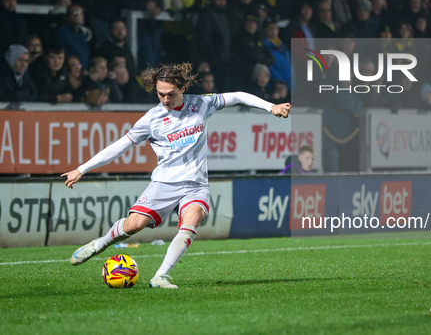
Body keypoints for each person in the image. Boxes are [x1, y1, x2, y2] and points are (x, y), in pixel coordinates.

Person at [63, 62, 291, 288]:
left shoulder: (201, 103)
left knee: (192, 219)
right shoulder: (151, 119)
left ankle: (160, 276)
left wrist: (271, 107)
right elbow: (119, 147)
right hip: (164, 183)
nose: (165, 99)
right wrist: (82, 169)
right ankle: (98, 245)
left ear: (182, 89)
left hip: (195, 185)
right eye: (160, 94)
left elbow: (238, 96)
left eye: (170, 94)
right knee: (134, 225)